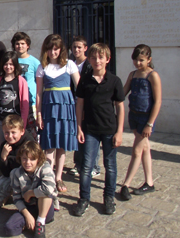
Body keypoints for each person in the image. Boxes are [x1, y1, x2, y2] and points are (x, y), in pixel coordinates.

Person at [74, 43, 125, 216]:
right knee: (86, 166)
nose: (97, 61)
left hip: (109, 129)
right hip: (90, 130)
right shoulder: (85, 80)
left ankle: (109, 197)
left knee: (110, 166)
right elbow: (79, 105)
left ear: (107, 59)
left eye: (101, 57)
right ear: (89, 59)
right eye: (94, 57)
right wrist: (79, 128)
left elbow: (120, 107)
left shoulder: (114, 81)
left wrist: (119, 131)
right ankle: (84, 198)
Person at [36, 34, 80, 193]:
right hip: (49, 107)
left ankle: (58, 176)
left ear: (61, 50)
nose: (53, 52)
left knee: (62, 144)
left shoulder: (70, 65)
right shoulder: (42, 67)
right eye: (50, 49)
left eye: (56, 49)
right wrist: (38, 114)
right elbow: (39, 93)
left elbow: (80, 87)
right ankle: (48, 175)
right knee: (49, 144)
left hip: (65, 109)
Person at [120, 44, 162, 200]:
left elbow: (157, 102)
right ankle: (149, 182)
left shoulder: (153, 76)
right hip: (134, 116)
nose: (138, 63)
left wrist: (150, 124)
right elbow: (123, 93)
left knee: (137, 151)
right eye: (135, 60)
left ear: (149, 59)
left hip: (145, 118)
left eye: (141, 60)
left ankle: (126, 184)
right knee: (145, 149)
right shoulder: (133, 75)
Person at [5, 141, 56, 238]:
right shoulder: (16, 173)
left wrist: (30, 193)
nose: (28, 163)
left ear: (38, 160)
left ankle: (41, 222)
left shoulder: (45, 168)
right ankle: (31, 221)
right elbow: (17, 198)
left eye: (32, 159)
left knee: (45, 192)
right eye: (24, 158)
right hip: (28, 206)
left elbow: (49, 189)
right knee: (9, 228)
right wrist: (27, 215)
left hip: (45, 207)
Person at [68, 36, 100, 177]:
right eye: (74, 47)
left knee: (91, 133)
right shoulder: (70, 63)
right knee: (78, 132)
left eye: (79, 47)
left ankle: (94, 165)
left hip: (87, 102)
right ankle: (79, 163)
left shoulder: (90, 64)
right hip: (74, 101)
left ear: (85, 48)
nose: (76, 50)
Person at [0, 115, 34, 203]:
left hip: (30, 177)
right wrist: (3, 157)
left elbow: (26, 166)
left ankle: (26, 199)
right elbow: (5, 173)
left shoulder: (29, 143)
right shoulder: (5, 145)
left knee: (16, 174)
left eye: (13, 132)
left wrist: (9, 158)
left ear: (22, 131)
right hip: (12, 175)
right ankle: (12, 195)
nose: (10, 136)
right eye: (6, 132)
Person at [0, 51, 29, 148]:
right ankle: (3, 162)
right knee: (3, 146)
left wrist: (23, 123)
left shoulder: (21, 81)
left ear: (15, 65)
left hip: (16, 122)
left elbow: (25, 105)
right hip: (1, 121)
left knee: (17, 147)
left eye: (11, 64)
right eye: (6, 64)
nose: (8, 67)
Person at [12, 32, 40, 140]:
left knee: (32, 130)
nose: (20, 46)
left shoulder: (34, 62)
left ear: (27, 45)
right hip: (15, 101)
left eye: (22, 43)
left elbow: (39, 81)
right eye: (17, 44)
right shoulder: (12, 60)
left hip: (30, 101)